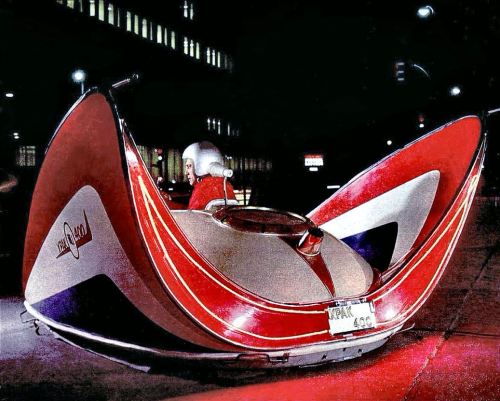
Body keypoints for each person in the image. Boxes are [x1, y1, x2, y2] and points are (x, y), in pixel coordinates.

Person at [182, 141, 237, 210]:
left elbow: (191, 217)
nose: (186, 172)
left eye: (189, 166)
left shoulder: (202, 189)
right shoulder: (227, 186)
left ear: (200, 166)